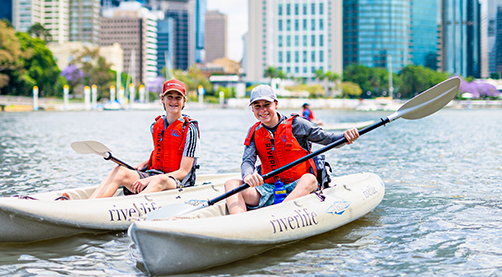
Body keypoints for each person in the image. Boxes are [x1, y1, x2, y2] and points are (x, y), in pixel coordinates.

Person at [224, 84, 359, 214]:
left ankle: (277, 213)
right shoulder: (254, 132)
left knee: (309, 179)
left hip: (300, 186)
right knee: (231, 184)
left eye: (267, 105)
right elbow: (247, 161)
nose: (262, 110)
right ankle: (239, 222)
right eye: (257, 106)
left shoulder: (297, 124)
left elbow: (328, 138)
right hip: (270, 189)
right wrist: (248, 175)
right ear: (252, 109)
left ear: (276, 104)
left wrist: (346, 136)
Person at [66, 79, 200, 199]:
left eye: (178, 98)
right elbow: (165, 152)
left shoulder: (189, 130)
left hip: (177, 183)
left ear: (184, 101)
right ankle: (89, 205)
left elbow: (184, 171)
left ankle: (129, 206)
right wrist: (145, 164)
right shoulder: (155, 126)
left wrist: (149, 181)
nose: (174, 101)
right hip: (154, 174)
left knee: (159, 181)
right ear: (162, 99)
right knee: (120, 170)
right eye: (169, 97)